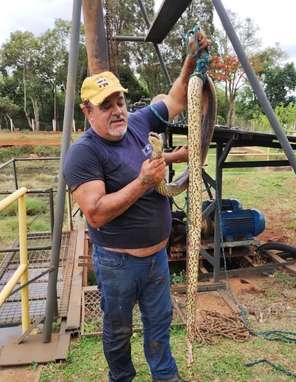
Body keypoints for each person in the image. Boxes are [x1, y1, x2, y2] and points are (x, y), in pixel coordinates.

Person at [63, 32, 208, 382]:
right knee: (118, 331)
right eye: (106, 105)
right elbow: (95, 211)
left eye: (120, 102)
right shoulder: (84, 153)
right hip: (117, 263)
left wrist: (191, 60)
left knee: (159, 324)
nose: (117, 111)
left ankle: (165, 377)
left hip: (157, 257)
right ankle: (121, 377)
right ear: (88, 111)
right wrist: (143, 181)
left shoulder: (139, 123)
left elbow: (175, 100)